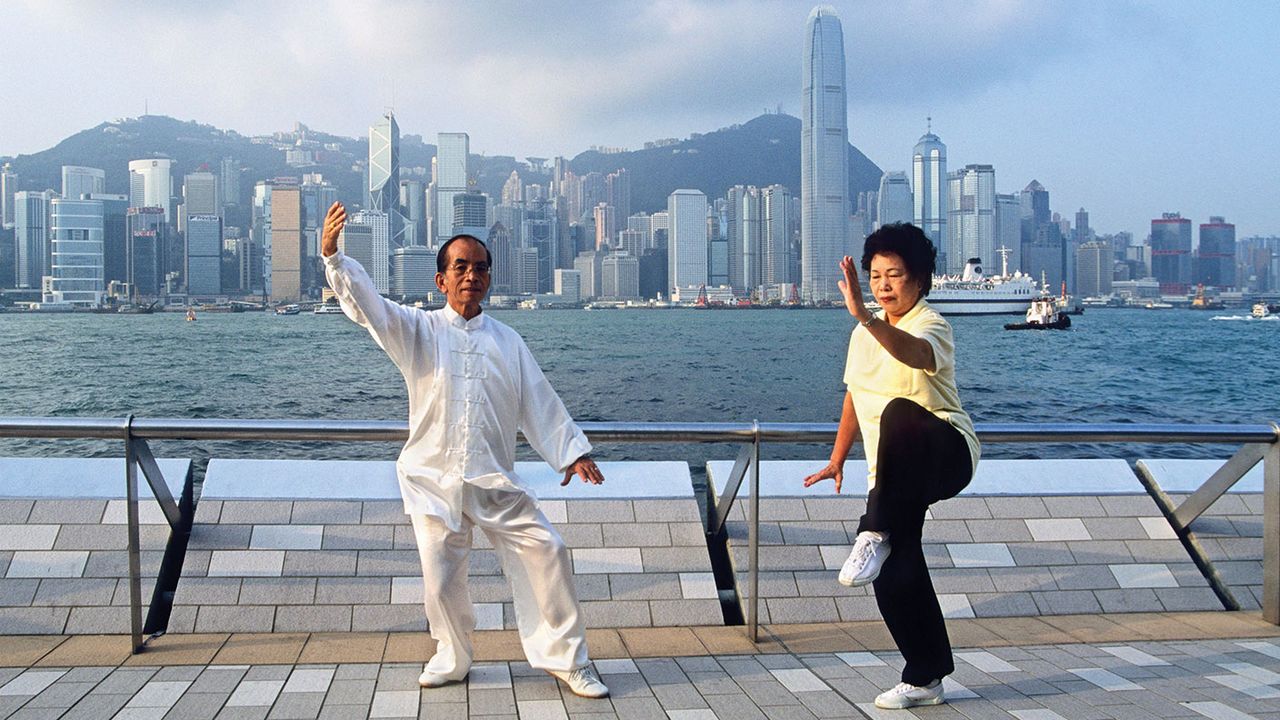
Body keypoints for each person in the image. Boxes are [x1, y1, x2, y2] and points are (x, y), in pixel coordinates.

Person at [319, 201, 610, 698]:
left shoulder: (508, 340)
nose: (470, 275)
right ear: (441, 280)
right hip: (431, 478)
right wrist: (333, 258)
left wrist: (570, 451)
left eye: (479, 268)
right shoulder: (417, 330)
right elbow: (372, 308)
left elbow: (538, 399)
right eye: (460, 267)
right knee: (439, 576)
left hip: (493, 479)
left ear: (489, 279)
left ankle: (568, 660)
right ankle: (452, 656)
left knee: (548, 550)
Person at [802, 223, 979, 710]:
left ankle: (871, 531)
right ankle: (925, 676)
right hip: (894, 475)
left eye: (894, 274)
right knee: (897, 571)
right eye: (876, 274)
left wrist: (867, 318)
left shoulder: (931, 324)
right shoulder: (863, 336)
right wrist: (838, 458)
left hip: (946, 451)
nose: (883, 284)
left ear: (919, 280)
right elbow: (855, 398)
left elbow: (918, 356)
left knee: (901, 410)